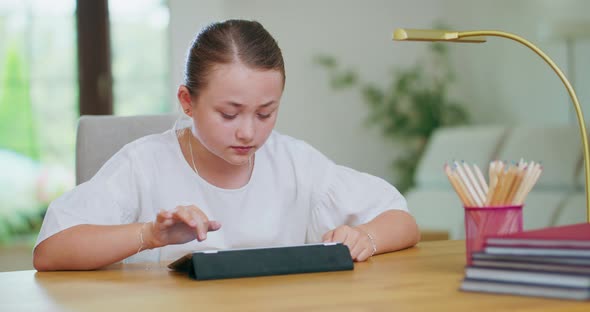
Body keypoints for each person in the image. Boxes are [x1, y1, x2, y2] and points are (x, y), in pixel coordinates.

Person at [33, 19, 419, 271]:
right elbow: (50, 250)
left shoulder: (295, 163)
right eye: (230, 114)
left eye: (265, 113)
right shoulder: (143, 163)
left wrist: (365, 237)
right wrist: (149, 234)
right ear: (188, 102)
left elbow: (401, 221)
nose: (249, 133)